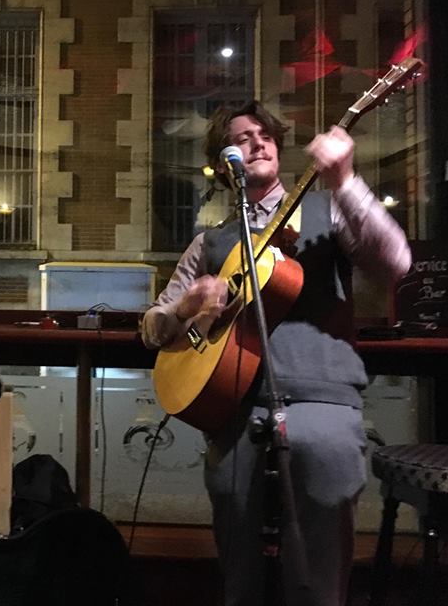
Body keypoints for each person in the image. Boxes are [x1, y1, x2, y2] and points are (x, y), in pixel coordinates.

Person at [140, 101, 411, 606]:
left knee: (317, 568)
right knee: (238, 570)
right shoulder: (209, 243)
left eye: (264, 135)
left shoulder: (326, 208)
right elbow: (153, 329)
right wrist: (187, 304)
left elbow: (395, 263)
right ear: (222, 165)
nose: (258, 143)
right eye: (241, 138)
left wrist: (346, 180)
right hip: (233, 409)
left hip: (320, 398)